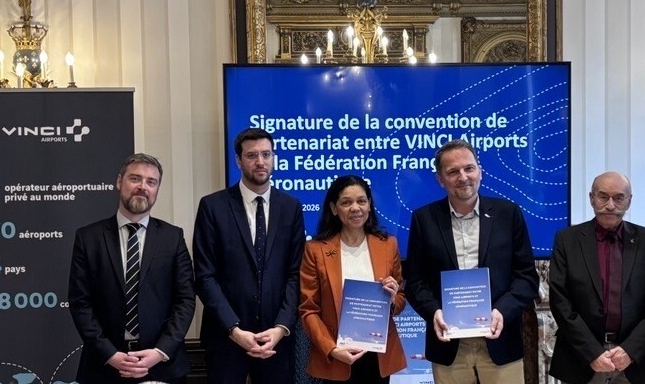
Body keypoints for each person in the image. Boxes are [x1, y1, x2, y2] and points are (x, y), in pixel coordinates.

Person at [403, 139, 539, 384]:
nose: (463, 177)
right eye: (452, 172)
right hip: (449, 346)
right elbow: (415, 281)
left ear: (480, 171)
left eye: (469, 168)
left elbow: (526, 277)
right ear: (440, 179)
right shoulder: (424, 219)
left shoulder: (508, 214)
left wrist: (502, 312)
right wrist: (434, 312)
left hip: (500, 341)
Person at [68, 153, 195, 383]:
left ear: (157, 189)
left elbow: (185, 300)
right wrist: (110, 354)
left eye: (151, 182)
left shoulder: (173, 238)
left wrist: (160, 352)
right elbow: (80, 303)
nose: (142, 187)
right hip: (104, 367)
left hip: (162, 366)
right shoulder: (89, 238)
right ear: (119, 182)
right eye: (135, 178)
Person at [192, 128, 306, 383]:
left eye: (266, 154)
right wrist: (234, 330)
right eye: (252, 155)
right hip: (225, 337)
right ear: (238, 160)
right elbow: (205, 276)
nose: (260, 161)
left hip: (276, 339)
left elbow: (295, 273)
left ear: (274, 157)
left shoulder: (291, 207)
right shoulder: (212, 206)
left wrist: (281, 327)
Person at [548, 172, 645, 384]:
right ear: (591, 198)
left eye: (619, 198)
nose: (610, 205)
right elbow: (560, 301)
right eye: (603, 197)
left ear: (629, 201)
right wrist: (592, 352)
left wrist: (630, 350)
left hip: (634, 362)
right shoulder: (567, 240)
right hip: (579, 360)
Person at [299, 175, 407, 383]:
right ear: (334, 208)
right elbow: (308, 310)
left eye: (361, 201)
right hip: (337, 355)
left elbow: (400, 298)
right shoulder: (315, 250)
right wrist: (331, 348)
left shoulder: (388, 245)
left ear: (369, 205)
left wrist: (393, 299)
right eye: (346, 203)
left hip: (378, 355)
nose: (355, 208)